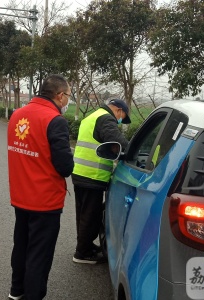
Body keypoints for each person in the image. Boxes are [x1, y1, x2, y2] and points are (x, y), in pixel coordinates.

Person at [6, 74, 74, 300]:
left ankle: (16, 290)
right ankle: (33, 295)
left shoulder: (17, 115)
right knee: (39, 253)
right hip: (45, 200)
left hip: (20, 195)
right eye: (68, 96)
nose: (68, 101)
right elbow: (64, 166)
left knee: (22, 244)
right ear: (59, 95)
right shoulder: (55, 121)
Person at [71, 99, 131, 264]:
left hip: (80, 172)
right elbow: (117, 141)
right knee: (91, 216)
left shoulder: (92, 116)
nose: (120, 121)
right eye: (122, 117)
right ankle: (82, 253)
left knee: (84, 214)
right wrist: (134, 152)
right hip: (93, 175)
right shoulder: (106, 118)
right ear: (118, 110)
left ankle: (86, 246)